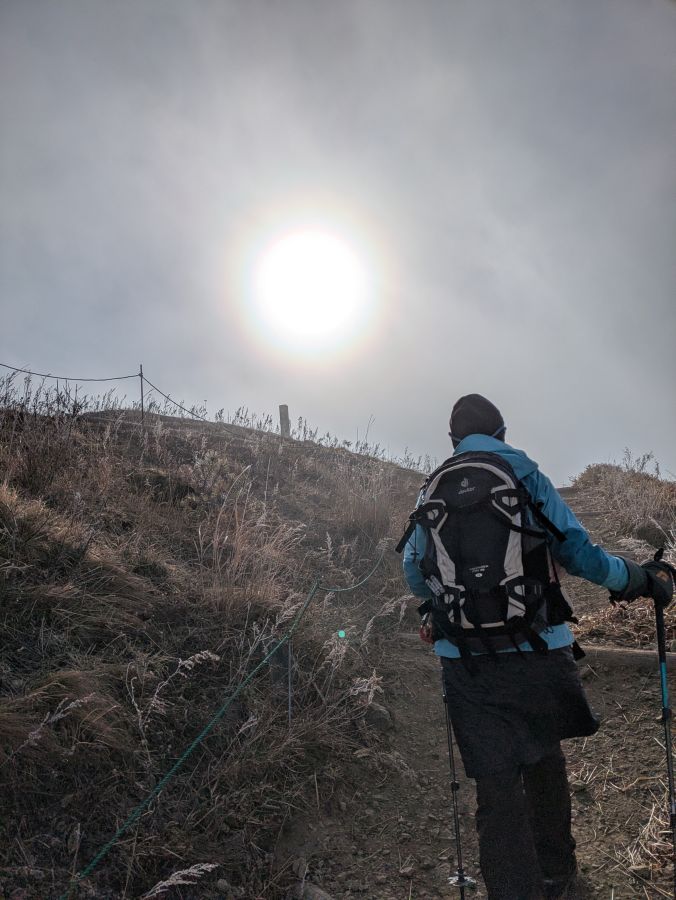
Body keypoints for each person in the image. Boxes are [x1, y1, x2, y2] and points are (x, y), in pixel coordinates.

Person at [401, 393, 673, 900]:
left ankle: (512, 890)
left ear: (453, 440)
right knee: (544, 760)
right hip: (538, 649)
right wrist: (637, 579)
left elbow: (413, 571)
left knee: (494, 785)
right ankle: (557, 876)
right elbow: (580, 553)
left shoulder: (431, 492)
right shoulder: (525, 476)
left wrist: (440, 609)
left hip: (466, 663)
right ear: (502, 433)